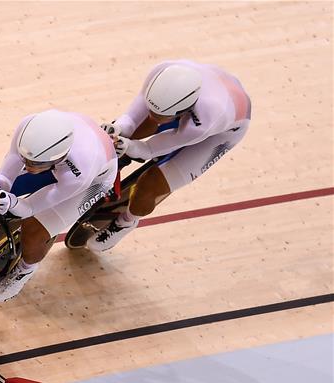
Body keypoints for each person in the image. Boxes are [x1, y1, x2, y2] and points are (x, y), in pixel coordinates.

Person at [88, 60, 251, 251]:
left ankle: (126, 222)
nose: (153, 115)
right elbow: (131, 119)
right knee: (129, 133)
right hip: (213, 89)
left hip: (224, 131)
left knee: (150, 185)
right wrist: (119, 129)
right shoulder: (161, 72)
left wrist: (131, 147)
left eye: (161, 115)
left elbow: (150, 149)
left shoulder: (207, 118)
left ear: (183, 112)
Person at [0, 109, 117, 302]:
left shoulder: (80, 173)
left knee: (33, 230)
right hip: (55, 160)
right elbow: (6, 176)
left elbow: (29, 208)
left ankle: (25, 270)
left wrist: (12, 202)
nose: (29, 167)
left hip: (93, 182)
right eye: (27, 161)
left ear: (57, 158)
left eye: (35, 164)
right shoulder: (27, 129)